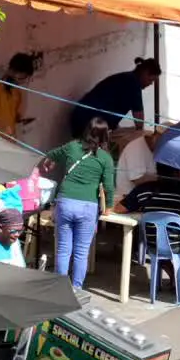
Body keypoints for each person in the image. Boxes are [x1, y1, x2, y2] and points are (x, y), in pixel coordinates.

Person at [46, 117, 115, 288]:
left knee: (63, 250)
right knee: (81, 253)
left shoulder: (72, 147)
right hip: (88, 207)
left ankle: (60, 289)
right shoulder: (105, 158)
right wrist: (109, 208)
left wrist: (50, 162)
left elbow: (51, 154)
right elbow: (108, 188)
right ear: (106, 135)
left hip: (65, 203)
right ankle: (76, 289)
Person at [113, 162, 180, 255]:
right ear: (177, 172)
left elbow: (119, 208)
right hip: (179, 246)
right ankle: (169, 266)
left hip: (152, 245)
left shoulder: (144, 189)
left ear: (157, 170)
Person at [71, 57, 161, 136]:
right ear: (144, 72)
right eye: (150, 80)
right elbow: (139, 123)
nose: (150, 84)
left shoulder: (127, 78)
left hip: (84, 118)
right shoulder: (133, 84)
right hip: (87, 122)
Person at [0, 53, 35, 139]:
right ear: (10, 71)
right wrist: (0, 126)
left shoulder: (17, 93)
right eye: (19, 79)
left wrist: (19, 120)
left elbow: (10, 116)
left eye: (24, 79)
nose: (20, 82)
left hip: (10, 140)